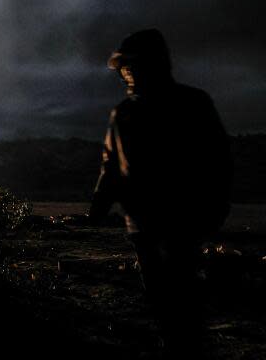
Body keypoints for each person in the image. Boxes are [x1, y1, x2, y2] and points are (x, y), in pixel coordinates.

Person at [88, 28, 233, 354]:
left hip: (182, 222)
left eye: (131, 65)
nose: (126, 72)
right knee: (163, 299)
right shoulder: (124, 113)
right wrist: (96, 210)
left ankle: (185, 345)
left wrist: (217, 207)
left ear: (152, 64)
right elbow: (110, 168)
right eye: (124, 66)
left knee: (180, 297)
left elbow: (218, 159)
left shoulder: (191, 104)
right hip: (145, 226)